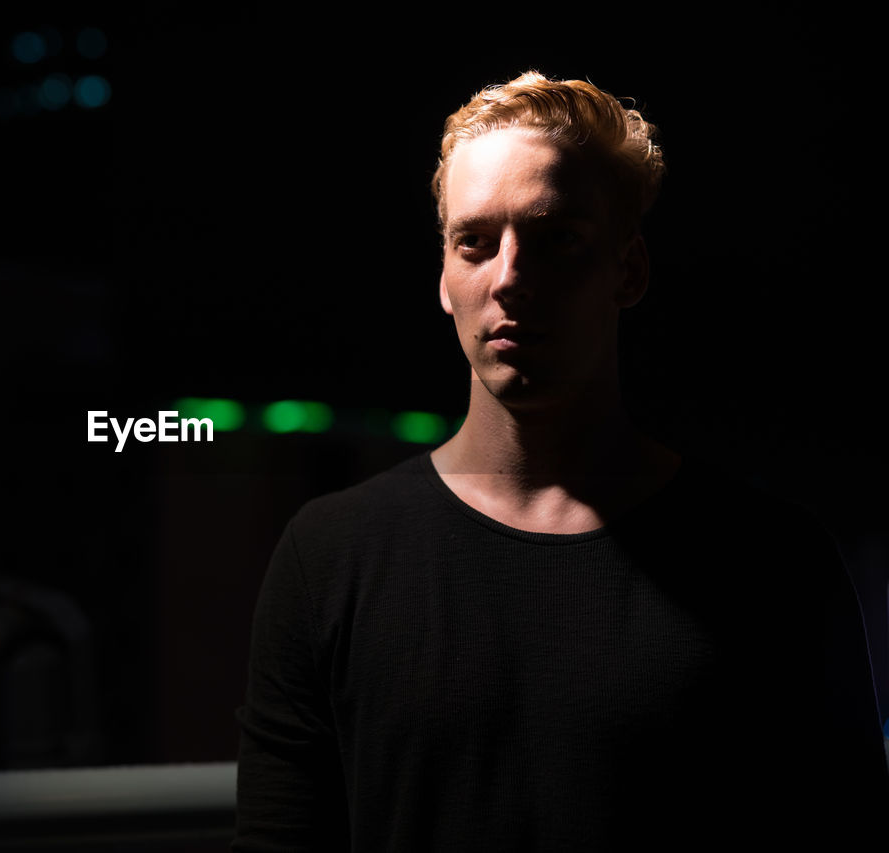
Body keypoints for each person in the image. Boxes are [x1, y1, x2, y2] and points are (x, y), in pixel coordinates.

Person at [233, 71, 887, 851]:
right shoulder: (330, 556)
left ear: (629, 270)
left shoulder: (774, 562)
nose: (509, 277)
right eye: (474, 241)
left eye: (557, 240)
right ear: (444, 277)